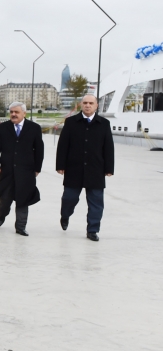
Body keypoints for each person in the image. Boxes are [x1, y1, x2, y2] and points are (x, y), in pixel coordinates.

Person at [56, 94, 114, 241]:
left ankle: (92, 230)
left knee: (96, 202)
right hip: (74, 168)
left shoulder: (104, 124)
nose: (88, 105)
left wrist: (109, 168)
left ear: (96, 106)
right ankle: (65, 215)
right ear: (81, 105)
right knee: (69, 198)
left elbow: (108, 147)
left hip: (96, 169)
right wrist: (60, 165)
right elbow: (63, 145)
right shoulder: (71, 122)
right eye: (85, 103)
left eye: (91, 103)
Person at [0, 102, 43, 236]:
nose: (13, 114)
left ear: (24, 113)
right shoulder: (2, 128)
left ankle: (20, 226)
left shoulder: (34, 128)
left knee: (23, 199)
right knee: (5, 200)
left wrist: (37, 168)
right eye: (11, 112)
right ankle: (2, 215)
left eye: (16, 112)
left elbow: (39, 150)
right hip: (7, 171)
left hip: (26, 171)